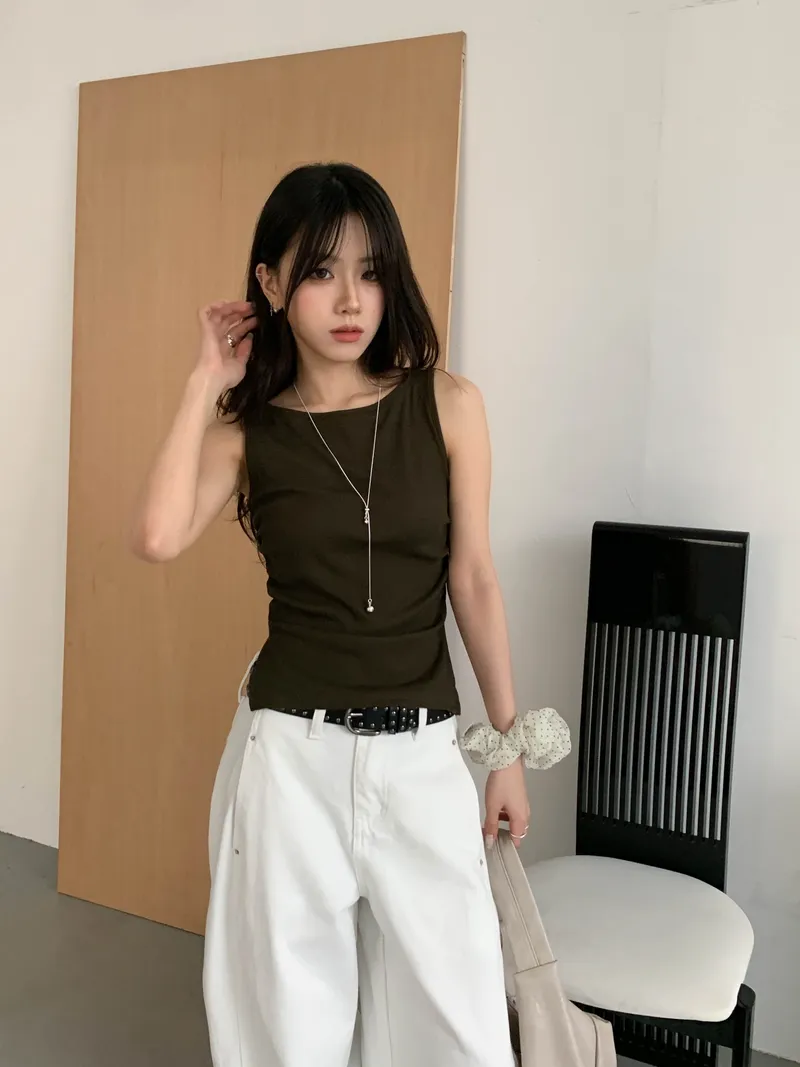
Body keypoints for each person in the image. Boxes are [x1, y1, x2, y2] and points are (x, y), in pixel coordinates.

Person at [130, 162, 528, 1067]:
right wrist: (203, 382)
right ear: (270, 284)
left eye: (370, 271)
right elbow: (155, 536)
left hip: (423, 758)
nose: (352, 299)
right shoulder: (250, 432)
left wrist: (506, 749)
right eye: (319, 271)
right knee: (291, 1034)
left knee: (463, 1031)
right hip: (292, 764)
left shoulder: (449, 405)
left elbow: (473, 580)